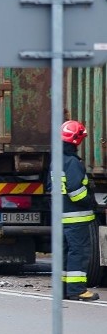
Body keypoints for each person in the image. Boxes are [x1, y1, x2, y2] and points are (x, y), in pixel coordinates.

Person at [59, 120, 99, 301]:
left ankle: (64, 289)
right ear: (77, 139)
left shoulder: (57, 161)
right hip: (76, 218)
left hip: (62, 216)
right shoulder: (73, 163)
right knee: (78, 252)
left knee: (66, 252)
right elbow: (76, 192)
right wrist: (91, 203)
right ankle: (76, 290)